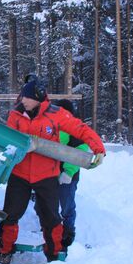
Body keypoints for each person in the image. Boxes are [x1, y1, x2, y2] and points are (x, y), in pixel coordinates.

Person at [0, 76, 105, 264]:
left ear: (37, 98)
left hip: (46, 175)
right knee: (10, 215)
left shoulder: (56, 114)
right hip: (20, 174)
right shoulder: (15, 115)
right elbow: (8, 140)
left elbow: (81, 129)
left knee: (51, 218)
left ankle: (54, 255)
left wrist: (99, 149)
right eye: (22, 97)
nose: (23, 100)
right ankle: (5, 251)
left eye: (27, 97)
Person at [54, 99, 88, 253]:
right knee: (45, 204)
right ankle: (49, 230)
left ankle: (68, 232)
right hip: (49, 172)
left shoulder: (75, 128)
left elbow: (80, 150)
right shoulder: (51, 125)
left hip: (67, 175)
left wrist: (68, 171)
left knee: (66, 203)